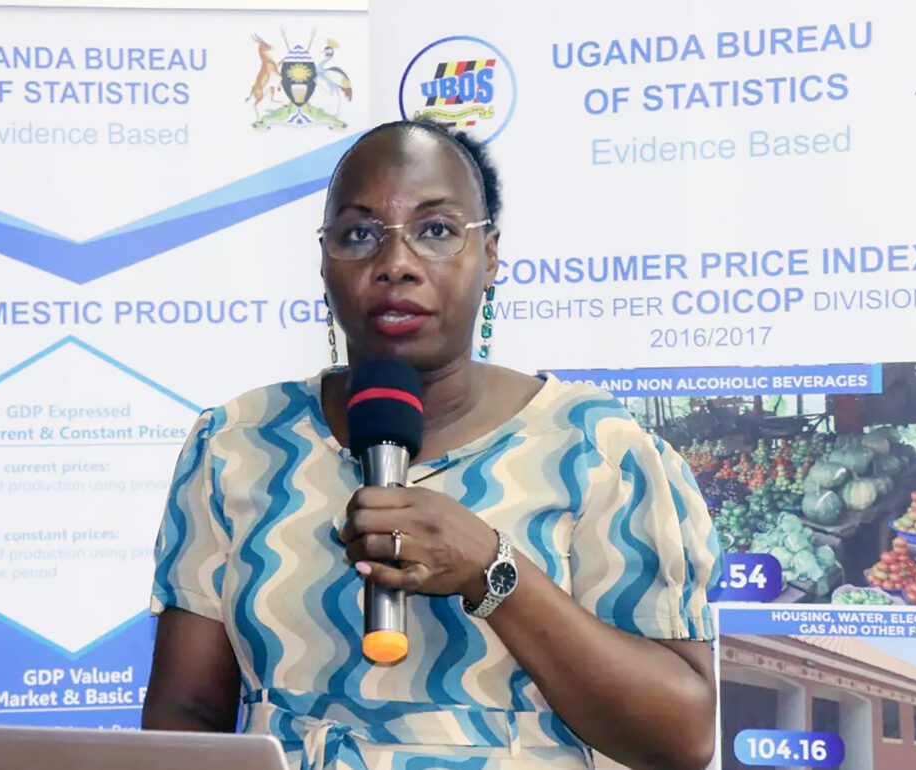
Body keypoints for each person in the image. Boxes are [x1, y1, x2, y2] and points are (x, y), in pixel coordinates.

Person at [141, 119, 722, 770]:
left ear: (490, 255)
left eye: (437, 230)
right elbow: (185, 713)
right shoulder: (237, 441)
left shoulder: (598, 449)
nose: (395, 264)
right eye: (359, 234)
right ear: (324, 260)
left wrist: (492, 570)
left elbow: (680, 738)